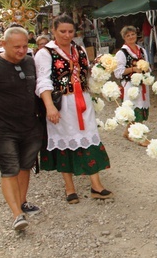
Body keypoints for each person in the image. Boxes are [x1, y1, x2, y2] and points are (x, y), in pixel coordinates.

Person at [35, 14, 113, 204]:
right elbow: (43, 81)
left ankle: (96, 185)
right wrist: (49, 106)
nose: (67, 35)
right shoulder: (45, 53)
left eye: (70, 31)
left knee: (90, 138)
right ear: (53, 30)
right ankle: (69, 187)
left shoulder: (79, 49)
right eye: (62, 31)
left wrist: (102, 75)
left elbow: (87, 76)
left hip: (83, 101)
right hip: (61, 104)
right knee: (65, 142)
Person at [0, 27, 42, 231]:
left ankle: (22, 202)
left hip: (30, 126)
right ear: (3, 44)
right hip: (3, 129)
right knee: (9, 169)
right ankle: (17, 215)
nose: (21, 50)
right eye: (16, 46)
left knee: (25, 166)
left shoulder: (31, 62)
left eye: (25, 46)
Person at [114, 26, 151, 147]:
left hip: (142, 84)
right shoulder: (122, 53)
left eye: (133, 34)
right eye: (128, 35)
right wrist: (133, 69)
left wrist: (146, 69)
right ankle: (140, 136)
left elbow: (148, 65)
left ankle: (128, 132)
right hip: (130, 85)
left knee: (141, 106)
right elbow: (118, 72)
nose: (131, 37)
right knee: (136, 109)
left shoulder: (141, 50)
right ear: (124, 38)